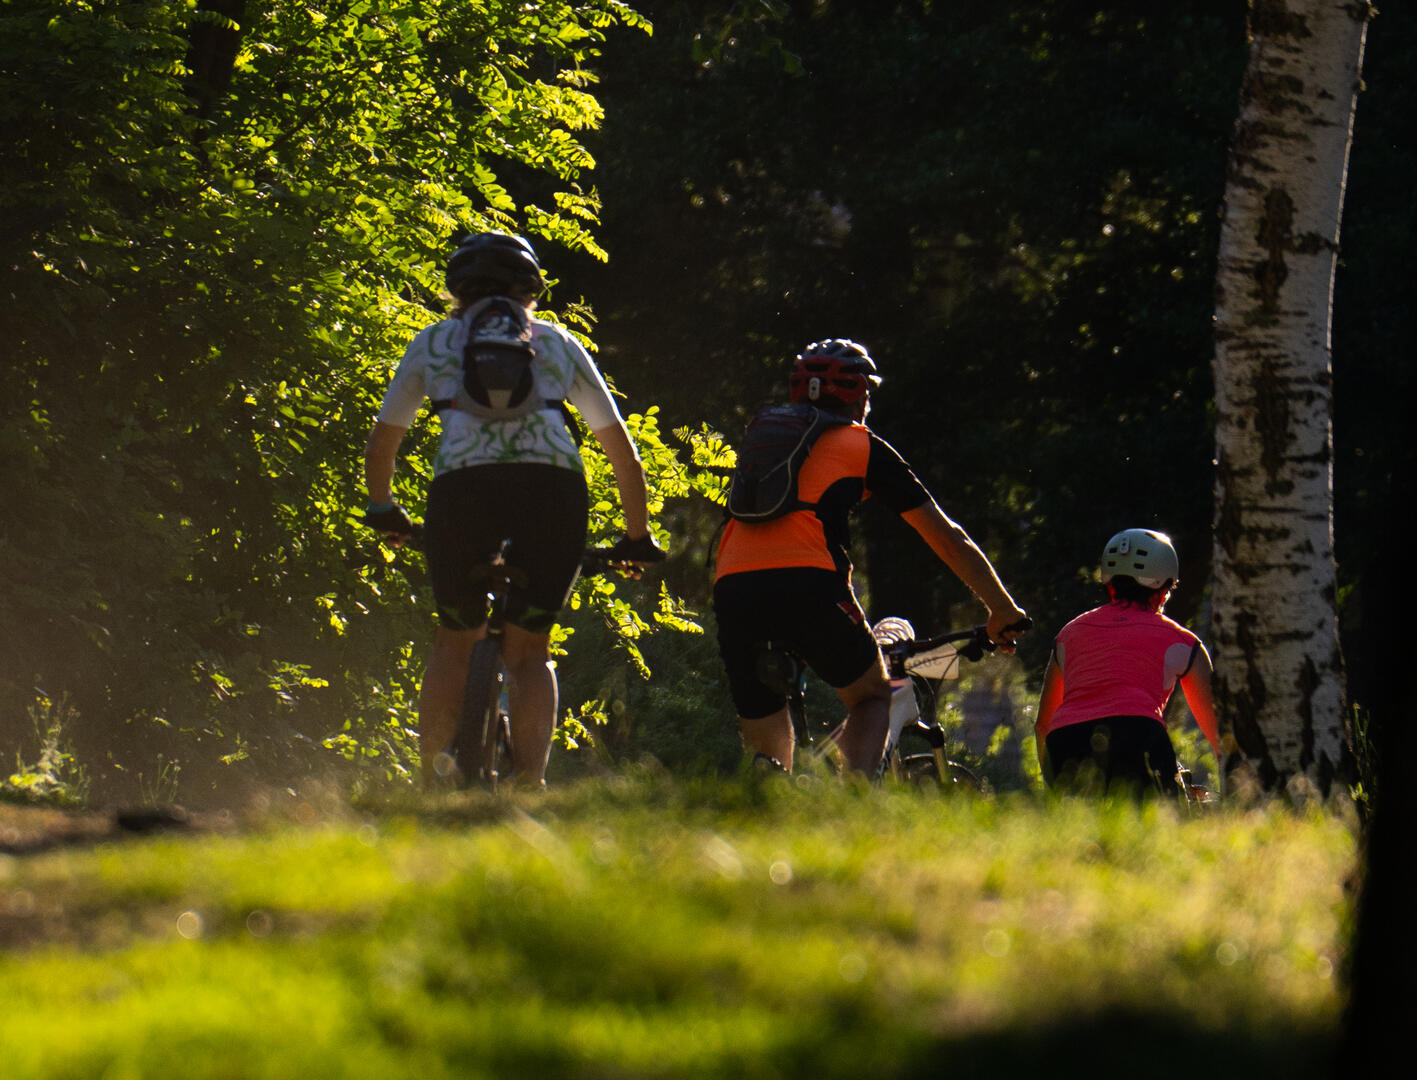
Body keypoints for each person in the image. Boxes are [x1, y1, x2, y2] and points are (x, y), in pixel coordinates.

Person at [362, 231, 663, 787]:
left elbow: (383, 443)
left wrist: (383, 507)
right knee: (529, 651)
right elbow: (622, 452)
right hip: (552, 492)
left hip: (463, 490)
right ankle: (531, 784)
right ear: (531, 290)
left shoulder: (432, 343)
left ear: (457, 291)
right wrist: (636, 536)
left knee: (454, 641)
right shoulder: (556, 343)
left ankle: (430, 780)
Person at [712, 338, 1029, 777]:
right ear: (855, 393)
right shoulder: (861, 445)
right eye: (866, 392)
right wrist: (1001, 608)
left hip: (732, 583)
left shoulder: (763, 442)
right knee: (871, 695)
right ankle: (853, 802)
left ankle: (770, 791)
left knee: (766, 720)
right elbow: (945, 536)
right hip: (808, 579)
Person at [1033, 528, 1218, 798]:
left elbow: (1042, 725)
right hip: (1138, 735)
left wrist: (1051, 785)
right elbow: (1219, 734)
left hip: (1065, 742)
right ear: (1165, 588)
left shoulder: (1068, 634)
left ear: (1110, 584)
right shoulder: (1183, 641)